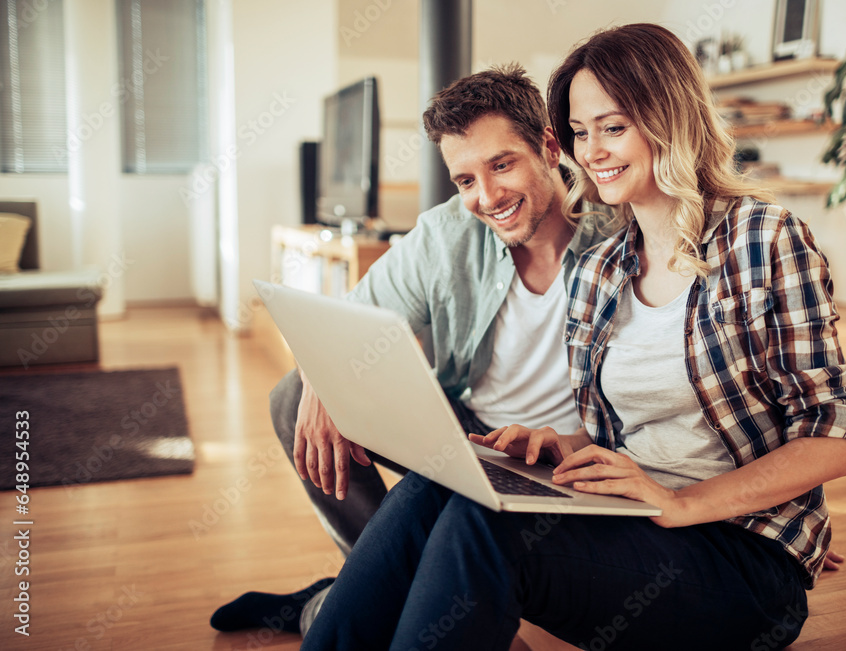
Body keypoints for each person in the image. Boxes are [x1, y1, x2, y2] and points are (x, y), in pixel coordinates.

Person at [294, 23, 846, 650]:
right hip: (634, 520)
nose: (592, 149)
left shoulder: (763, 237)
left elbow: (832, 438)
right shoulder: (602, 270)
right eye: (582, 131)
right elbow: (616, 436)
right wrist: (553, 445)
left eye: (614, 126)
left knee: (486, 528)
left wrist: (683, 504)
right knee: (445, 481)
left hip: (738, 558)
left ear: (668, 117)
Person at [210, 64, 613, 637]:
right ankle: (383, 578)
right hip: (471, 430)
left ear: (550, 147)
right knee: (295, 394)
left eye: (502, 165)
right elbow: (346, 324)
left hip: (560, 455)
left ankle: (333, 603)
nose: (487, 196)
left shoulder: (620, 230)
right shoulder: (447, 232)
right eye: (465, 180)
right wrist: (324, 378)